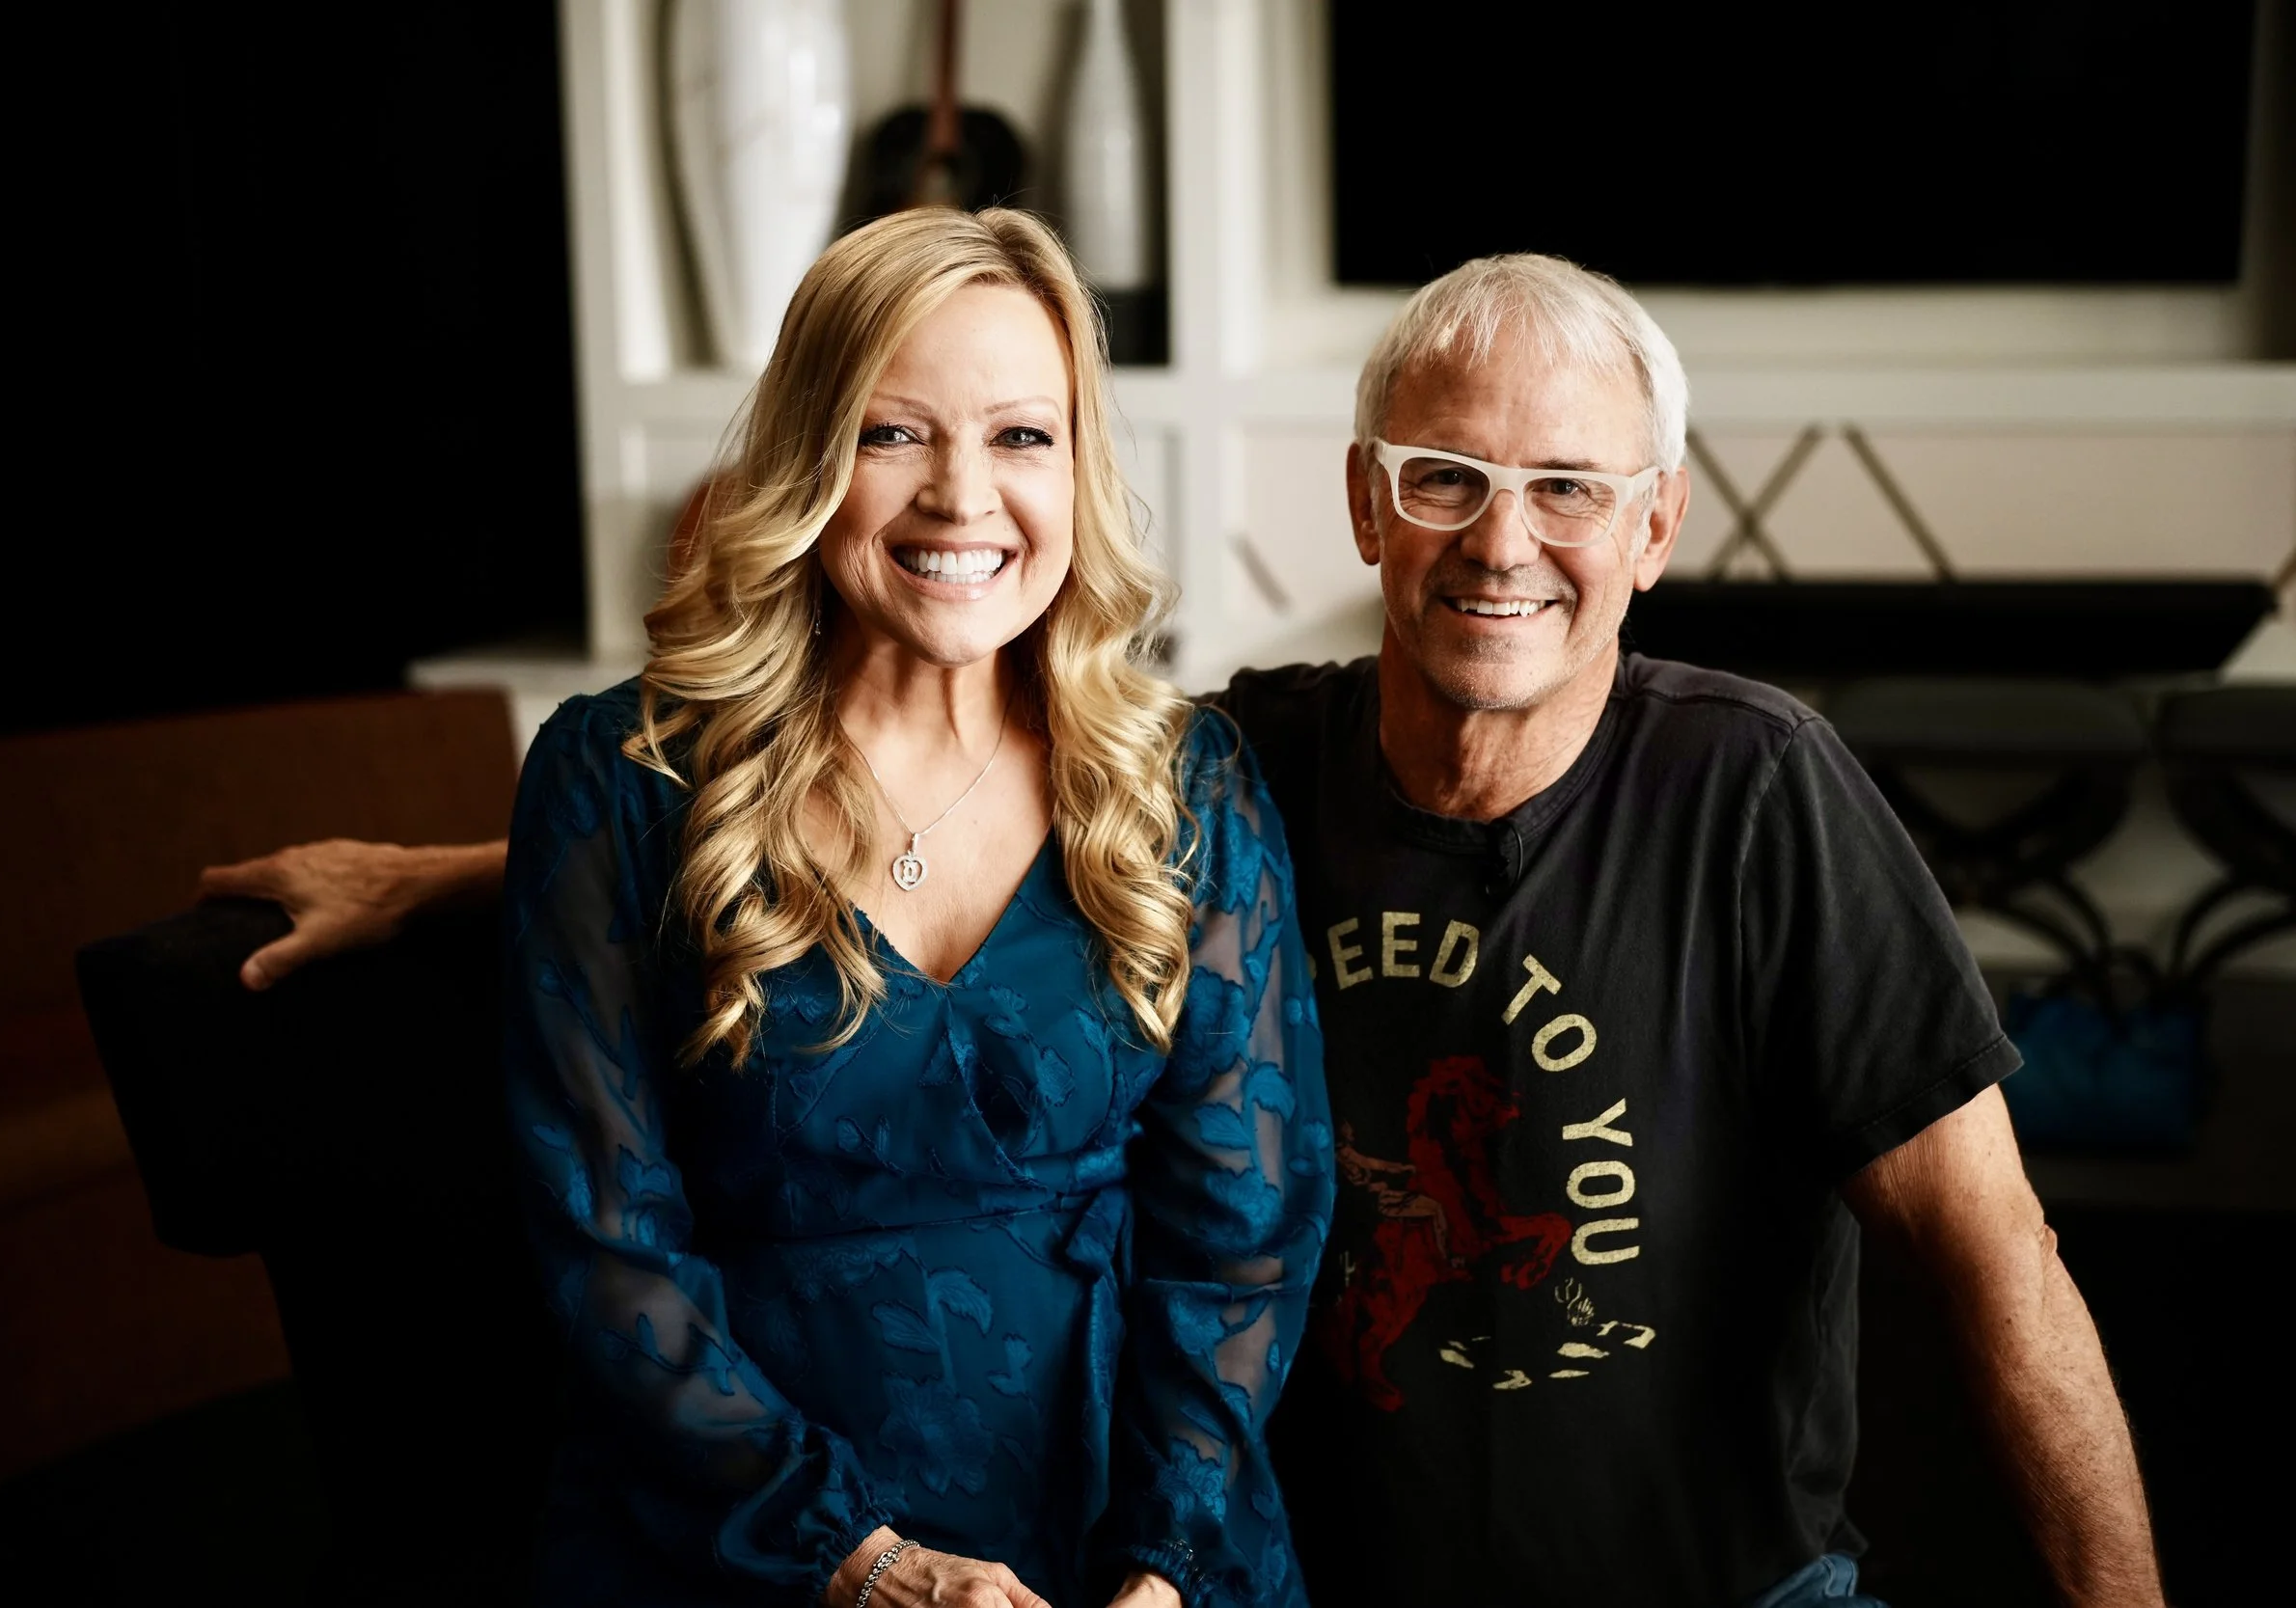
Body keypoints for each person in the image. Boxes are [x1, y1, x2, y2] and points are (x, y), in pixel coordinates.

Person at [207, 253, 2165, 1606]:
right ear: (1363, 506)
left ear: (1649, 527)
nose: (1501, 540)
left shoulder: (1729, 789)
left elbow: (1996, 1259)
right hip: (1128, 1555)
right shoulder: (1240, 761)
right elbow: (817, 835)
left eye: (1567, 487)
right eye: (1443, 478)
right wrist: (463, 868)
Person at [435, 206, 1329, 1608]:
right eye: (893, 432)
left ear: (1081, 468)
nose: (962, 498)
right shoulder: (619, 780)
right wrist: (869, 1566)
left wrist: (1160, 1570)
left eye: (1023, 437)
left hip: (1129, 1531)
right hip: (736, 1543)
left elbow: (1246, 1239)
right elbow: (608, 1251)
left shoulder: (1188, 784)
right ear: (805, 460)